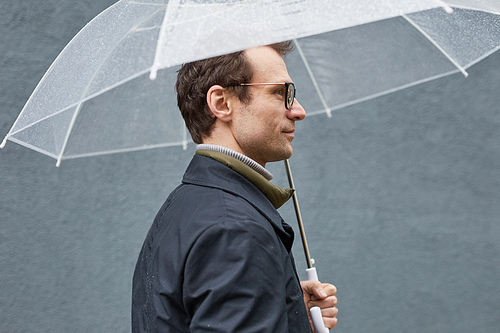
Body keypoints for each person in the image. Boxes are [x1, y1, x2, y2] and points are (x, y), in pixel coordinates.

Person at [132, 42, 338, 332]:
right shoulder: (235, 228)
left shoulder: (187, 204)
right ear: (221, 103)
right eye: (280, 93)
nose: (299, 111)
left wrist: (287, 308)